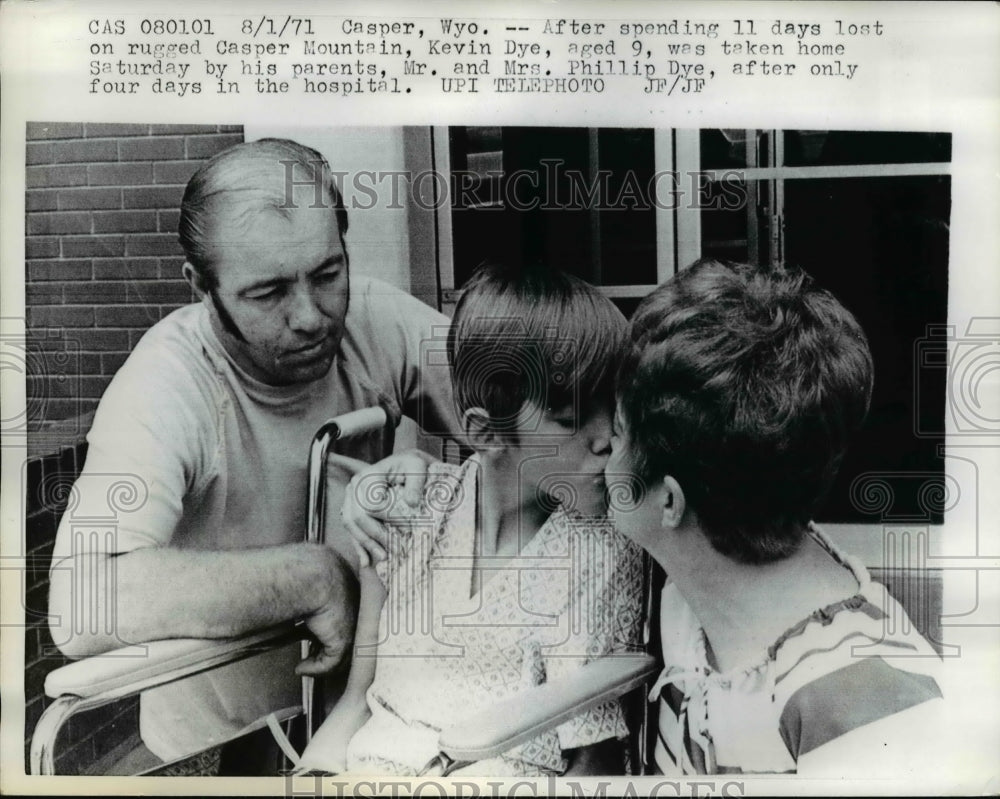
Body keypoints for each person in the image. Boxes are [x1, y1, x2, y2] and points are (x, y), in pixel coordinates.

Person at [47, 138, 462, 770]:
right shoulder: (165, 384)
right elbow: (81, 602)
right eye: (267, 293)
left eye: (328, 274)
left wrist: (452, 481)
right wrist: (312, 577)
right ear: (201, 287)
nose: (311, 317)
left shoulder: (375, 318)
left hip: (363, 710)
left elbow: (527, 421)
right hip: (216, 741)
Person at [296, 264, 645, 776]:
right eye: (571, 420)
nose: (607, 440)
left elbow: (592, 764)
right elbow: (357, 705)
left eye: (611, 408)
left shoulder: (597, 547)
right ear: (485, 433)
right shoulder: (406, 513)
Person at [607, 259, 944, 775]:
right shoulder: (693, 586)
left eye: (620, 431)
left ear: (670, 502)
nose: (605, 446)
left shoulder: (863, 703)